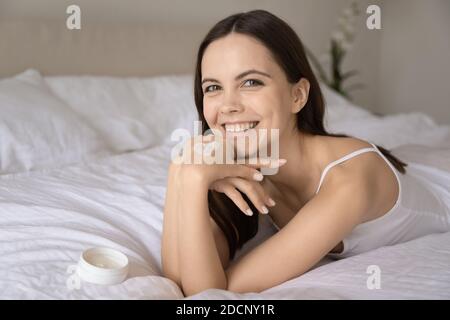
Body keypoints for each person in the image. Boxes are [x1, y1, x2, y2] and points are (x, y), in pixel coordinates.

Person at [161, 9, 450, 296]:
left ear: (297, 95)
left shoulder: (348, 181)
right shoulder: (239, 168)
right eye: (213, 87)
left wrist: (192, 180)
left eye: (250, 82)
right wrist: (183, 173)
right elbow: (178, 279)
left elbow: (211, 293)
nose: (228, 106)